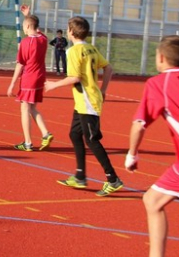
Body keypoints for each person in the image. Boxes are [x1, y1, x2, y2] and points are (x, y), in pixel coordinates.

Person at [45, 15, 123, 196]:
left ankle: (113, 179)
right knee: (74, 134)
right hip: (85, 101)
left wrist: (53, 85)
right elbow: (108, 68)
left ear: (71, 32)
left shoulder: (72, 51)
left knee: (91, 140)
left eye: (67, 28)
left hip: (87, 101)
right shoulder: (91, 48)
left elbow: (75, 78)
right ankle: (80, 176)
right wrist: (103, 90)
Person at [125, 35, 179, 257]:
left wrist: (132, 154)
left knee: (153, 200)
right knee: (153, 200)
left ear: (161, 58)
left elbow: (139, 125)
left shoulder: (159, 83)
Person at [6, 5, 53, 151]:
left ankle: (27, 143)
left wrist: (12, 84)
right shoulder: (43, 39)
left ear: (27, 26)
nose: (23, 30)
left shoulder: (25, 43)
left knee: (24, 108)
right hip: (40, 77)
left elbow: (20, 65)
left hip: (29, 78)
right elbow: (36, 28)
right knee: (32, 107)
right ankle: (46, 133)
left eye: (24, 26)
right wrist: (29, 15)